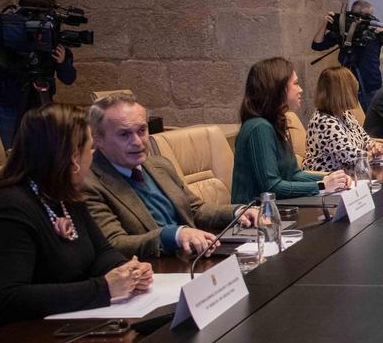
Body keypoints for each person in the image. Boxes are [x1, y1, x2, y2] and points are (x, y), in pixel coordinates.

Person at [0, 104, 152, 335]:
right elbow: (8, 298)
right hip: (18, 339)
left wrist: (128, 271)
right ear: (73, 158)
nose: (93, 155)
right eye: (91, 148)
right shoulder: (8, 209)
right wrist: (104, 288)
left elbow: (101, 253)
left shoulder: (65, 195)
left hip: (68, 323)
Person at [82, 93, 257, 258]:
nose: (137, 141)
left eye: (142, 130)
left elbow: (195, 209)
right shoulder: (88, 184)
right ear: (98, 139)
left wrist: (238, 211)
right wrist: (174, 235)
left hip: (196, 257)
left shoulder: (159, 165)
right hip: (155, 271)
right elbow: (115, 243)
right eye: (124, 134)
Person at [232, 57, 352, 202]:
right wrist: (321, 185)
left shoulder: (274, 123)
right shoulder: (259, 127)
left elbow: (293, 175)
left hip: (279, 209)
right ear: (278, 88)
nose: (300, 89)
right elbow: (271, 187)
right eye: (295, 83)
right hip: (256, 217)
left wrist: (331, 177)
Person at [0, 0, 78, 148]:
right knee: (13, 152)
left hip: (41, 104)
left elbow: (69, 78)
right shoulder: (8, 37)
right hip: (9, 104)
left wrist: (63, 62)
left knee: (43, 153)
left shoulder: (52, 40)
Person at [311, 0, 383, 109]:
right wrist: (326, 24)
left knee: (372, 124)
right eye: (367, 16)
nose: (370, 19)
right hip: (347, 89)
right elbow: (317, 45)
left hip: (372, 88)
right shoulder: (344, 31)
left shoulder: (375, 32)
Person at [304, 66, 383, 173]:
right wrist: (374, 154)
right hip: (329, 180)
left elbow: (364, 138)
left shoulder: (345, 114)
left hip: (349, 175)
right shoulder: (324, 121)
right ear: (342, 94)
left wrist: (375, 145)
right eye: (353, 90)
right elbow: (350, 156)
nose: (356, 94)